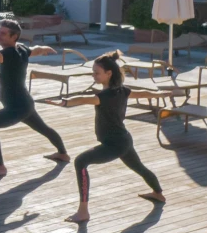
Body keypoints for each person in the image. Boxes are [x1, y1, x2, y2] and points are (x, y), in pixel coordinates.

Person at [58, 52, 172, 223]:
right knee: (139, 168)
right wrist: (157, 95)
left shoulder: (104, 97)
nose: (94, 75)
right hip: (124, 140)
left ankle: (83, 212)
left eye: (97, 73)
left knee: (80, 161)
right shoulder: (122, 91)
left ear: (109, 73)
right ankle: (158, 193)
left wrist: (66, 102)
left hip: (115, 144)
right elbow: (140, 93)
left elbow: (83, 99)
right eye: (93, 72)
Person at [0, 19, 70, 176]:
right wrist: (44, 48)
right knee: (43, 128)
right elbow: (35, 50)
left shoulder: (8, 54)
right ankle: (63, 153)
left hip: (16, 107)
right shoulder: (22, 49)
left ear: (14, 36)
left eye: (3, 33)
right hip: (25, 104)